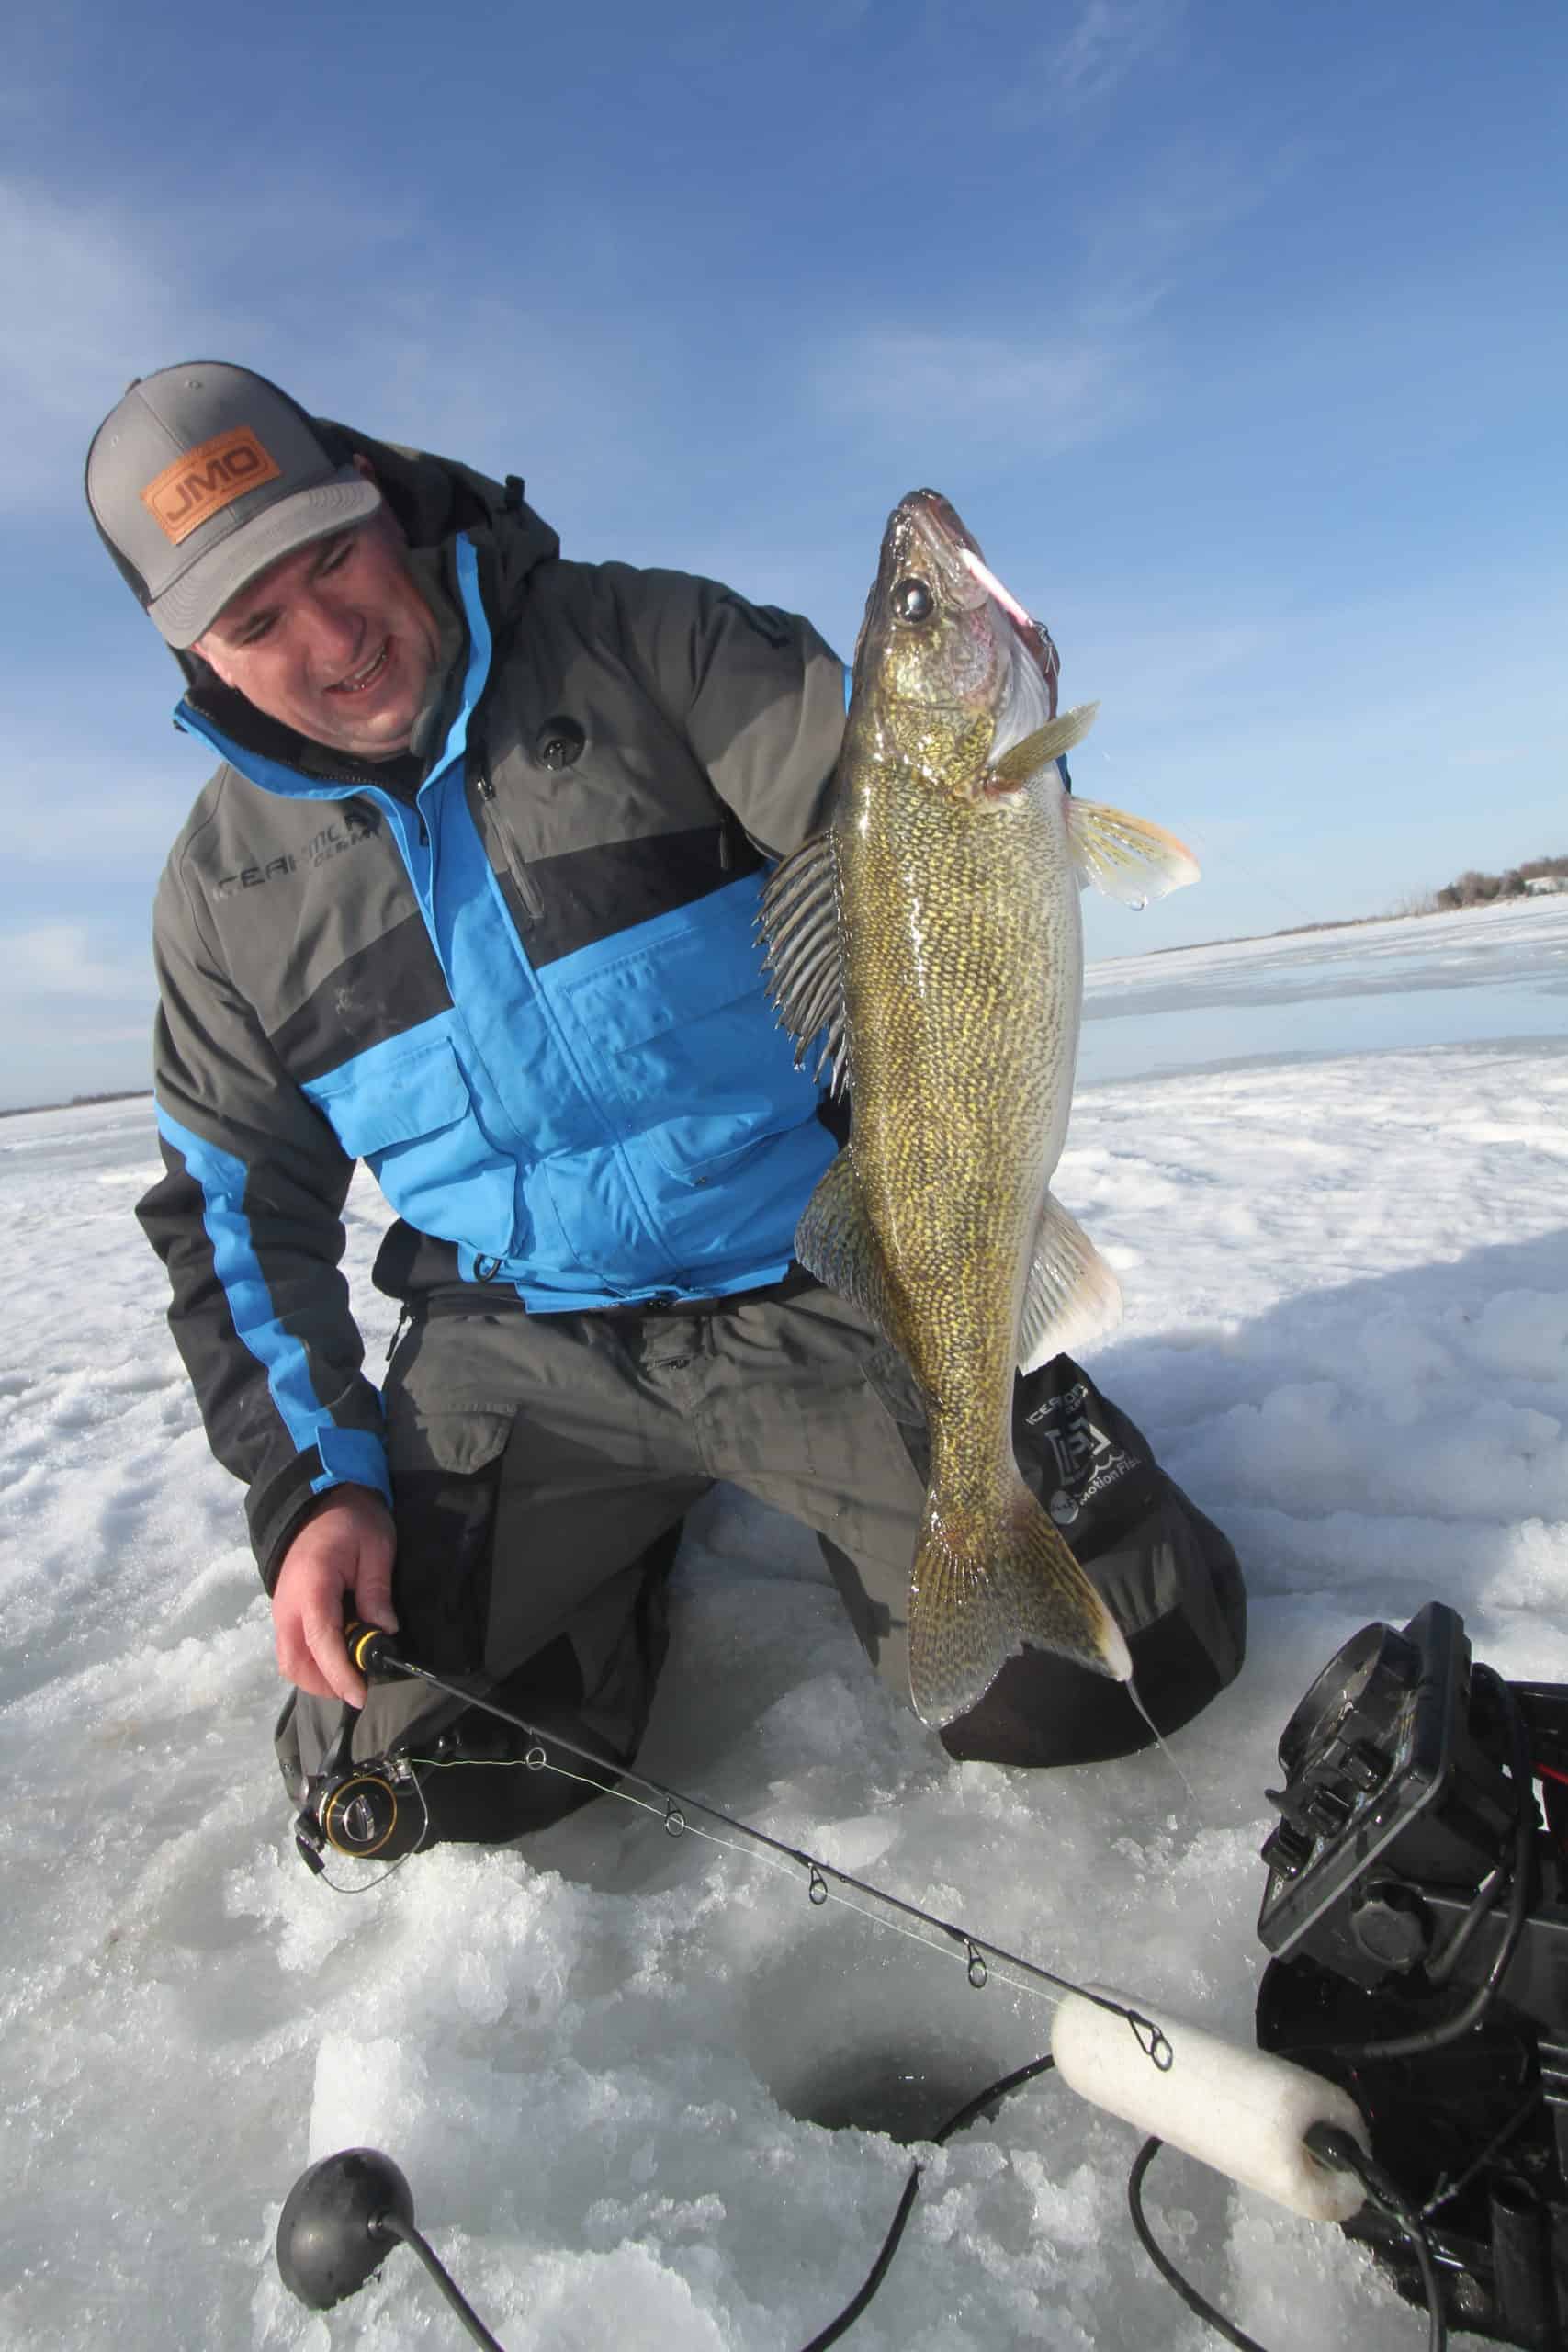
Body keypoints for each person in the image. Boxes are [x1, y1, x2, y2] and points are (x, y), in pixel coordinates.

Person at [87, 360, 1246, 1859]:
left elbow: (907, 813)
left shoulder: (648, 641)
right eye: (255, 622)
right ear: (191, 652)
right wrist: (314, 1492)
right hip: (523, 1339)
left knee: (1119, 1669)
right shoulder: (217, 897)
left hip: (811, 1263)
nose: (331, 635)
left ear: (375, 500)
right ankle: (607, 1561)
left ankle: (920, 1447)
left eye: (331, 559)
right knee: (415, 1770)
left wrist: (1006, 708)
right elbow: (234, 1220)